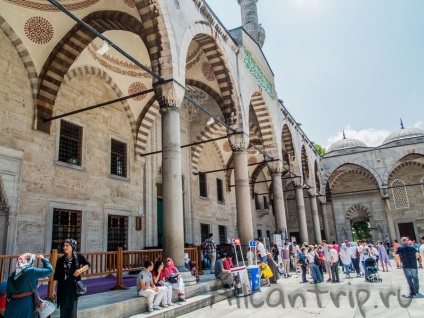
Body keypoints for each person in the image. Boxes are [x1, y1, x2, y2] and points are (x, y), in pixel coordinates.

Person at [4, 253, 53, 318]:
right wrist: (43, 259)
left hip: (12, 307)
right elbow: (50, 270)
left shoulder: (11, 275)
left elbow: (8, 293)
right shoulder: (31, 271)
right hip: (26, 306)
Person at [52, 239, 90, 318]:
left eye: (67, 246)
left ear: (72, 247)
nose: (65, 247)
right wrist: (53, 289)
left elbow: (87, 264)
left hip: (73, 288)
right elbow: (56, 276)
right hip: (63, 288)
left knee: (72, 309)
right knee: (63, 309)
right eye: (64, 246)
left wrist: (80, 270)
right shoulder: (60, 260)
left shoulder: (78, 256)